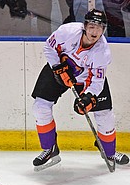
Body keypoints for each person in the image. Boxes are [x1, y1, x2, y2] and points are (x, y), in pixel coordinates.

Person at [31, 9, 129, 171]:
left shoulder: (102, 51)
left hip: (86, 79)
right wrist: (58, 68)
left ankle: (109, 152)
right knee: (40, 106)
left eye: (99, 28)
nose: (95, 31)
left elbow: (97, 81)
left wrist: (88, 97)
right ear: (84, 26)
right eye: (91, 26)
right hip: (58, 69)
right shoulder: (67, 31)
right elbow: (49, 47)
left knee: (104, 114)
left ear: (103, 30)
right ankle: (50, 149)